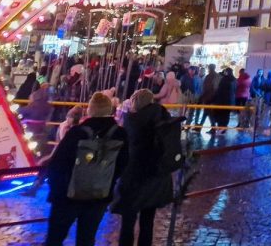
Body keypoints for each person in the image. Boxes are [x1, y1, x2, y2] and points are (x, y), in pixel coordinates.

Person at [45, 92, 128, 246]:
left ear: (91, 109)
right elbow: (123, 164)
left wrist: (56, 190)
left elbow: (58, 163)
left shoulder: (77, 132)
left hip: (68, 195)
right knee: (87, 238)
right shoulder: (120, 134)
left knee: (55, 238)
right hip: (99, 194)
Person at [113, 89, 174, 246]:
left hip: (134, 179)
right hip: (156, 177)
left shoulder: (132, 121)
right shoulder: (162, 118)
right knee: (148, 221)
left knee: (128, 222)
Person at [209, 67, 237, 133]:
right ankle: (224, 128)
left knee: (220, 115)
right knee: (226, 115)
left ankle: (221, 128)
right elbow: (235, 90)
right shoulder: (234, 80)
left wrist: (213, 99)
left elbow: (219, 90)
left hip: (222, 101)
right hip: (230, 101)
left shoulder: (224, 80)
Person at [198, 64, 219, 128]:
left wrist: (202, 96)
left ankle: (212, 127)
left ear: (209, 68)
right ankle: (201, 126)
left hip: (208, 97)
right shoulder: (217, 76)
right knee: (207, 112)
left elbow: (207, 88)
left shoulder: (209, 76)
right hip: (215, 97)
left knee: (209, 112)